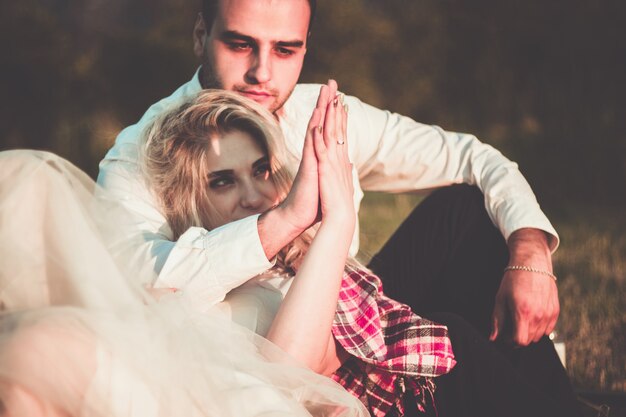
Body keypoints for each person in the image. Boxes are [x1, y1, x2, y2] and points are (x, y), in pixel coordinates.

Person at [98, 0, 579, 412]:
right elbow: (137, 285)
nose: (262, 72)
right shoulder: (141, 154)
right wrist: (282, 222)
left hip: (353, 309)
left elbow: (472, 156)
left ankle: (560, 403)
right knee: (456, 346)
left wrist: (530, 249)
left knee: (465, 214)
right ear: (202, 34)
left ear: (306, 45)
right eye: (241, 44)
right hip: (263, 350)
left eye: (286, 49)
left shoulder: (322, 111)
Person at [0, 150, 369, 417]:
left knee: (36, 345)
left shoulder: (304, 276)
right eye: (222, 181)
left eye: (262, 171)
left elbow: (292, 370)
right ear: (190, 198)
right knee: (25, 175)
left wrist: (337, 219)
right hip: (114, 374)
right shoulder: (165, 271)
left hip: (208, 399)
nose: (254, 196)